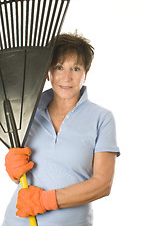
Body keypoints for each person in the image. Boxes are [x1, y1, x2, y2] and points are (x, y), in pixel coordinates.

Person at [3, 33, 120, 226]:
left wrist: (46, 200)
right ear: (48, 72)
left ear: (85, 74)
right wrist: (14, 170)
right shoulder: (26, 111)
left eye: (75, 68)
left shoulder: (101, 118)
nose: (66, 77)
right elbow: (26, 174)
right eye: (59, 67)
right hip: (18, 221)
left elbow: (102, 185)